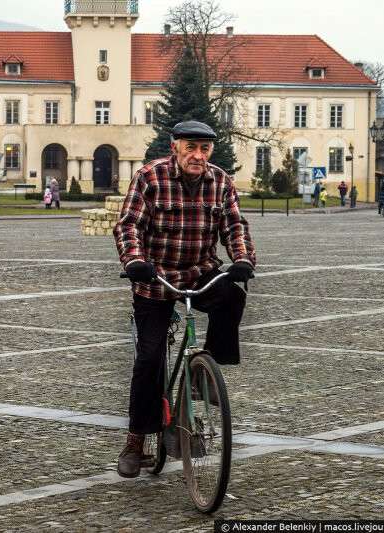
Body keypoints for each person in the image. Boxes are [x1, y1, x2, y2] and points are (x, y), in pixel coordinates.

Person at [113, 120, 256, 478]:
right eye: (190, 147)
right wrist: (134, 261)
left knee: (232, 296)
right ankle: (136, 439)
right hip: (155, 276)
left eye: (204, 149)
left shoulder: (220, 181)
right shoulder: (150, 177)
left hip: (200, 271)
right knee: (149, 359)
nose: (198, 156)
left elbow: (235, 227)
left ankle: (202, 376)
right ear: (174, 145)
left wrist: (242, 259)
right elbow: (128, 225)